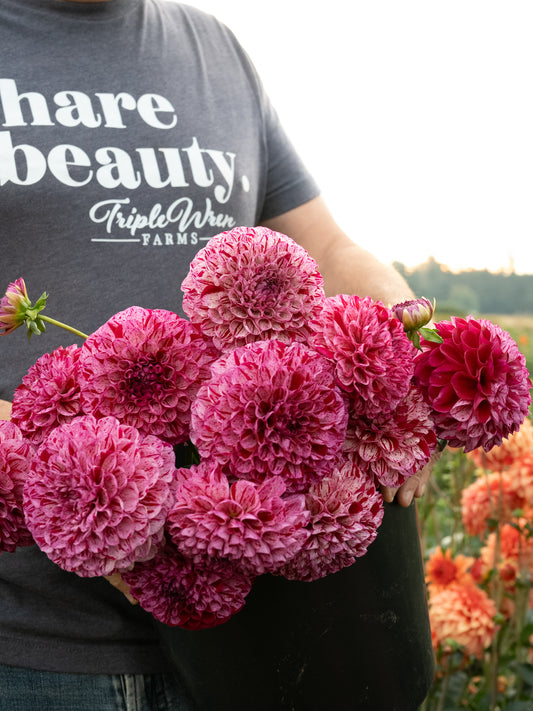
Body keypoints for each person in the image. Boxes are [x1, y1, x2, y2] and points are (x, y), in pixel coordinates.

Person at [0, 0, 434, 709]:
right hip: (31, 646)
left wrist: (404, 351)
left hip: (258, 640)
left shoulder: (214, 51)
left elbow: (324, 246)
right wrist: (60, 485)